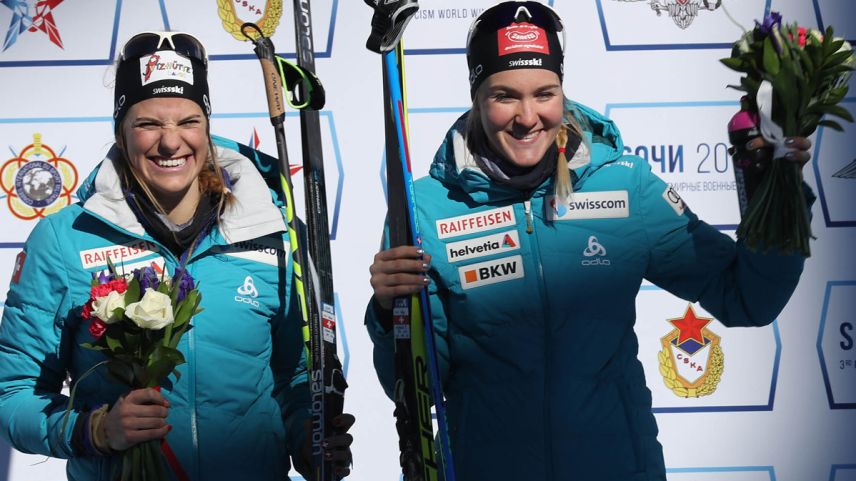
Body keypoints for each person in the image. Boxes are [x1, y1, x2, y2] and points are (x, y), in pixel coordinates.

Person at [366, 2, 813, 480]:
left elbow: (747, 298)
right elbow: (415, 390)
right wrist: (389, 310)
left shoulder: (623, 186)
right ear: (477, 96)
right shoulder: (426, 209)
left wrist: (775, 191)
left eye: (544, 93)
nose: (527, 116)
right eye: (503, 95)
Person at [0, 31, 352, 480]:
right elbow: (13, 394)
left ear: (207, 126)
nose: (171, 143)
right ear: (120, 131)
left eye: (188, 121)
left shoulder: (274, 230)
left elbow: (298, 375)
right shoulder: (65, 239)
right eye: (148, 123)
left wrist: (309, 438)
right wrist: (95, 430)